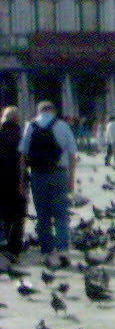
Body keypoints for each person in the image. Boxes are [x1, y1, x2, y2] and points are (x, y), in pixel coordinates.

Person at [19, 101, 77, 269]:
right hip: (59, 173)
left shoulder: (31, 126)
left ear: (38, 111)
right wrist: (71, 178)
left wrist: (23, 179)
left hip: (37, 174)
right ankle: (63, 250)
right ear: (54, 111)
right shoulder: (62, 126)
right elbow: (73, 154)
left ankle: (46, 251)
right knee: (60, 214)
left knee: (42, 214)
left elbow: (22, 154)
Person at [0, 106, 26, 265]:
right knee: (17, 215)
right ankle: (14, 246)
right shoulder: (22, 135)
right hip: (17, 180)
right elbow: (26, 158)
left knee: (2, 213)